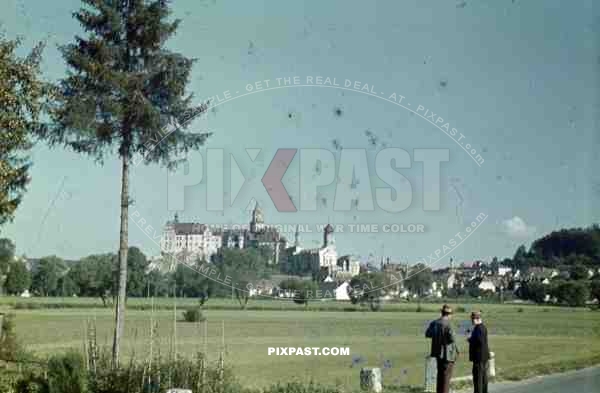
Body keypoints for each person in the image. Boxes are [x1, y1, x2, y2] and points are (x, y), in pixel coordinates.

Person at [425, 304, 459, 393]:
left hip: (437, 353)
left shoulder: (434, 323)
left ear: (442, 312)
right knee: (446, 378)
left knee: (440, 376)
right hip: (448, 354)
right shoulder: (449, 324)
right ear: (450, 314)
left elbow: (427, 334)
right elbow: (452, 339)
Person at [467, 311, 490, 393]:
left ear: (476, 319)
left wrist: (470, 339)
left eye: (472, 319)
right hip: (484, 357)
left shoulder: (479, 328)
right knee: (483, 378)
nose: (471, 321)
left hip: (479, 358)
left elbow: (479, 342)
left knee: (478, 379)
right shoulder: (483, 327)